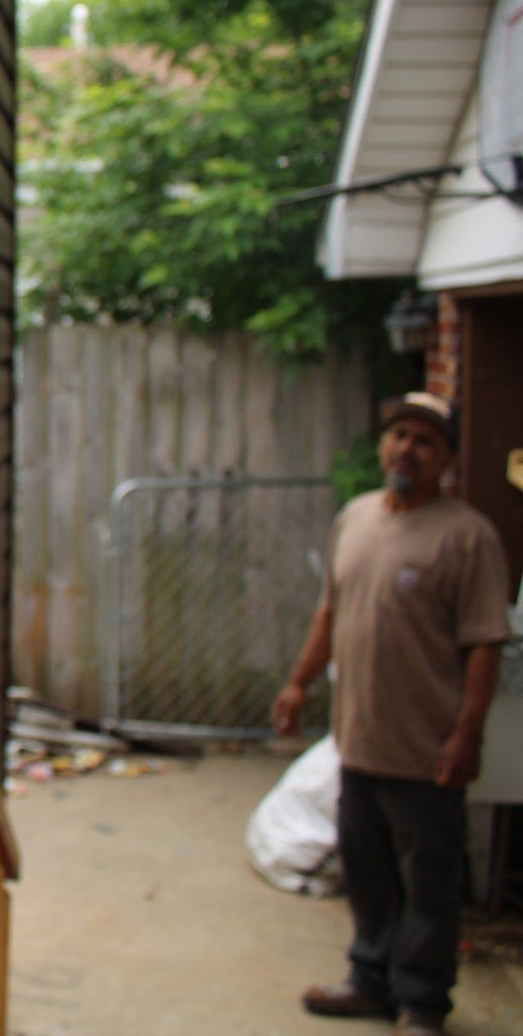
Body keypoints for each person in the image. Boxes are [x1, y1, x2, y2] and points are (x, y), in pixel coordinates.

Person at [272, 392, 511, 1036]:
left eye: (425, 441)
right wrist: (297, 685)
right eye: (399, 435)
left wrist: (467, 735)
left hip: (426, 751)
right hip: (359, 743)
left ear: (448, 460)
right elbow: (330, 612)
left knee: (429, 882)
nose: (408, 449)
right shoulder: (355, 519)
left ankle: (424, 1004)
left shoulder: (467, 537)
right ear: (384, 446)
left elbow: (485, 644)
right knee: (368, 873)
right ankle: (370, 980)